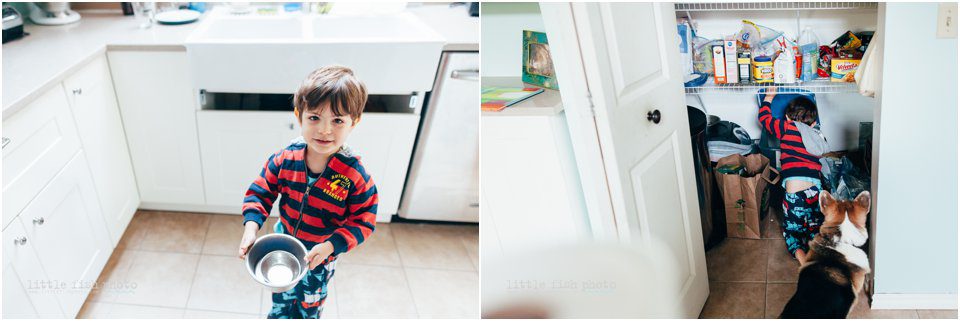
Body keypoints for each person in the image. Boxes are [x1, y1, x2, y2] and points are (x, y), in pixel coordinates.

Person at [238, 65, 378, 319]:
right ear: (299, 116)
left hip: (321, 257)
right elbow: (260, 192)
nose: (325, 130)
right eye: (314, 118)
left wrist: (331, 246)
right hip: (285, 245)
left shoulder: (354, 176)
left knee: (310, 303)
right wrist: (251, 228)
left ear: (354, 122)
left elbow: (364, 221)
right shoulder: (285, 159)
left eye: (337, 120)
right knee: (282, 294)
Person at [759, 87, 829, 264]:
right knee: (815, 227)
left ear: (787, 118)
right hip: (815, 190)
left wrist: (769, 97)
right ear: (813, 123)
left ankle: (802, 258)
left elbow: (764, 119)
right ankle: (817, 256)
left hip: (794, 192)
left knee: (792, 230)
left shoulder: (786, 127)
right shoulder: (816, 135)